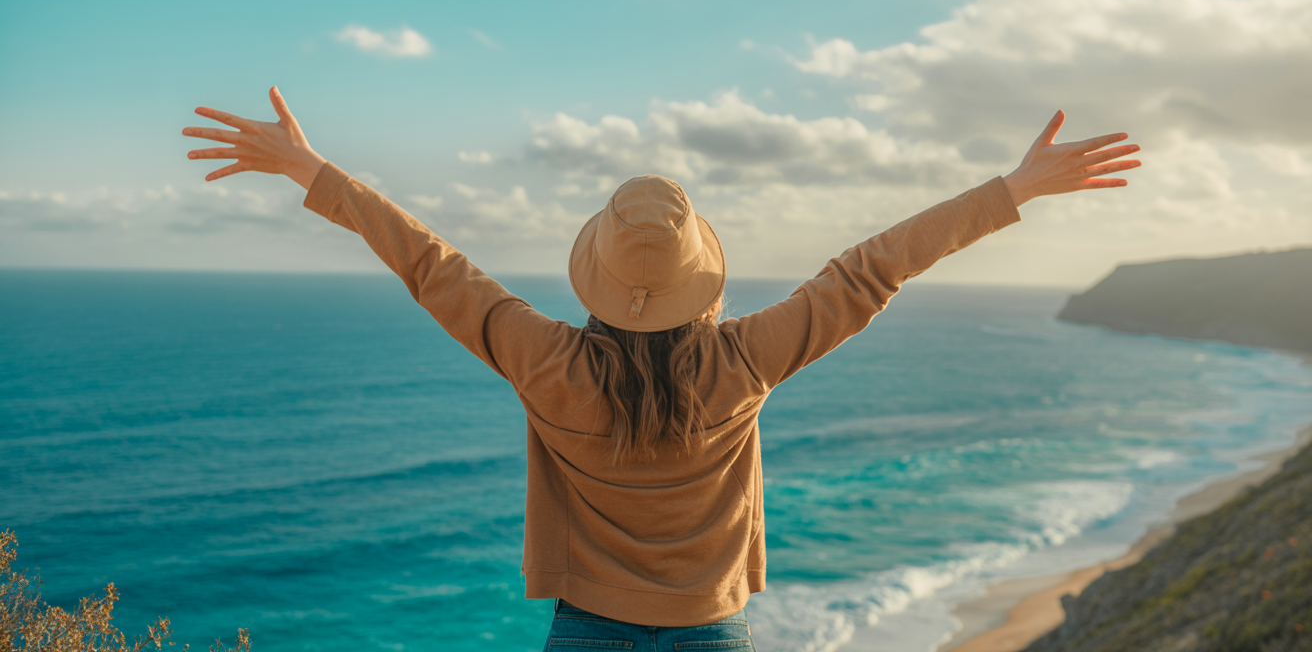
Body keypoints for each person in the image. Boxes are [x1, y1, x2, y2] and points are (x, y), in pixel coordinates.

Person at [182, 87, 1141, 651]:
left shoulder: (545, 360)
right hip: (712, 632)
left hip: (587, 629)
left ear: (594, 276)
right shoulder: (744, 363)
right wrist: (1014, 189)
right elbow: (874, 267)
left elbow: (431, 266)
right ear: (703, 279)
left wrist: (312, 170)